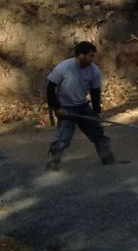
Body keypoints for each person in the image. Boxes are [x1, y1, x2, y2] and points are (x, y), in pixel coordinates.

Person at [44, 40, 117, 169]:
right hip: (66, 107)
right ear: (81, 55)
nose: (93, 59)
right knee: (63, 139)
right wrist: (57, 107)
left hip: (82, 106)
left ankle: (108, 160)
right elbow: (50, 88)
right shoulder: (64, 67)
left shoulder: (94, 71)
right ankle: (52, 164)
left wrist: (97, 111)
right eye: (91, 55)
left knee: (98, 133)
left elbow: (95, 92)